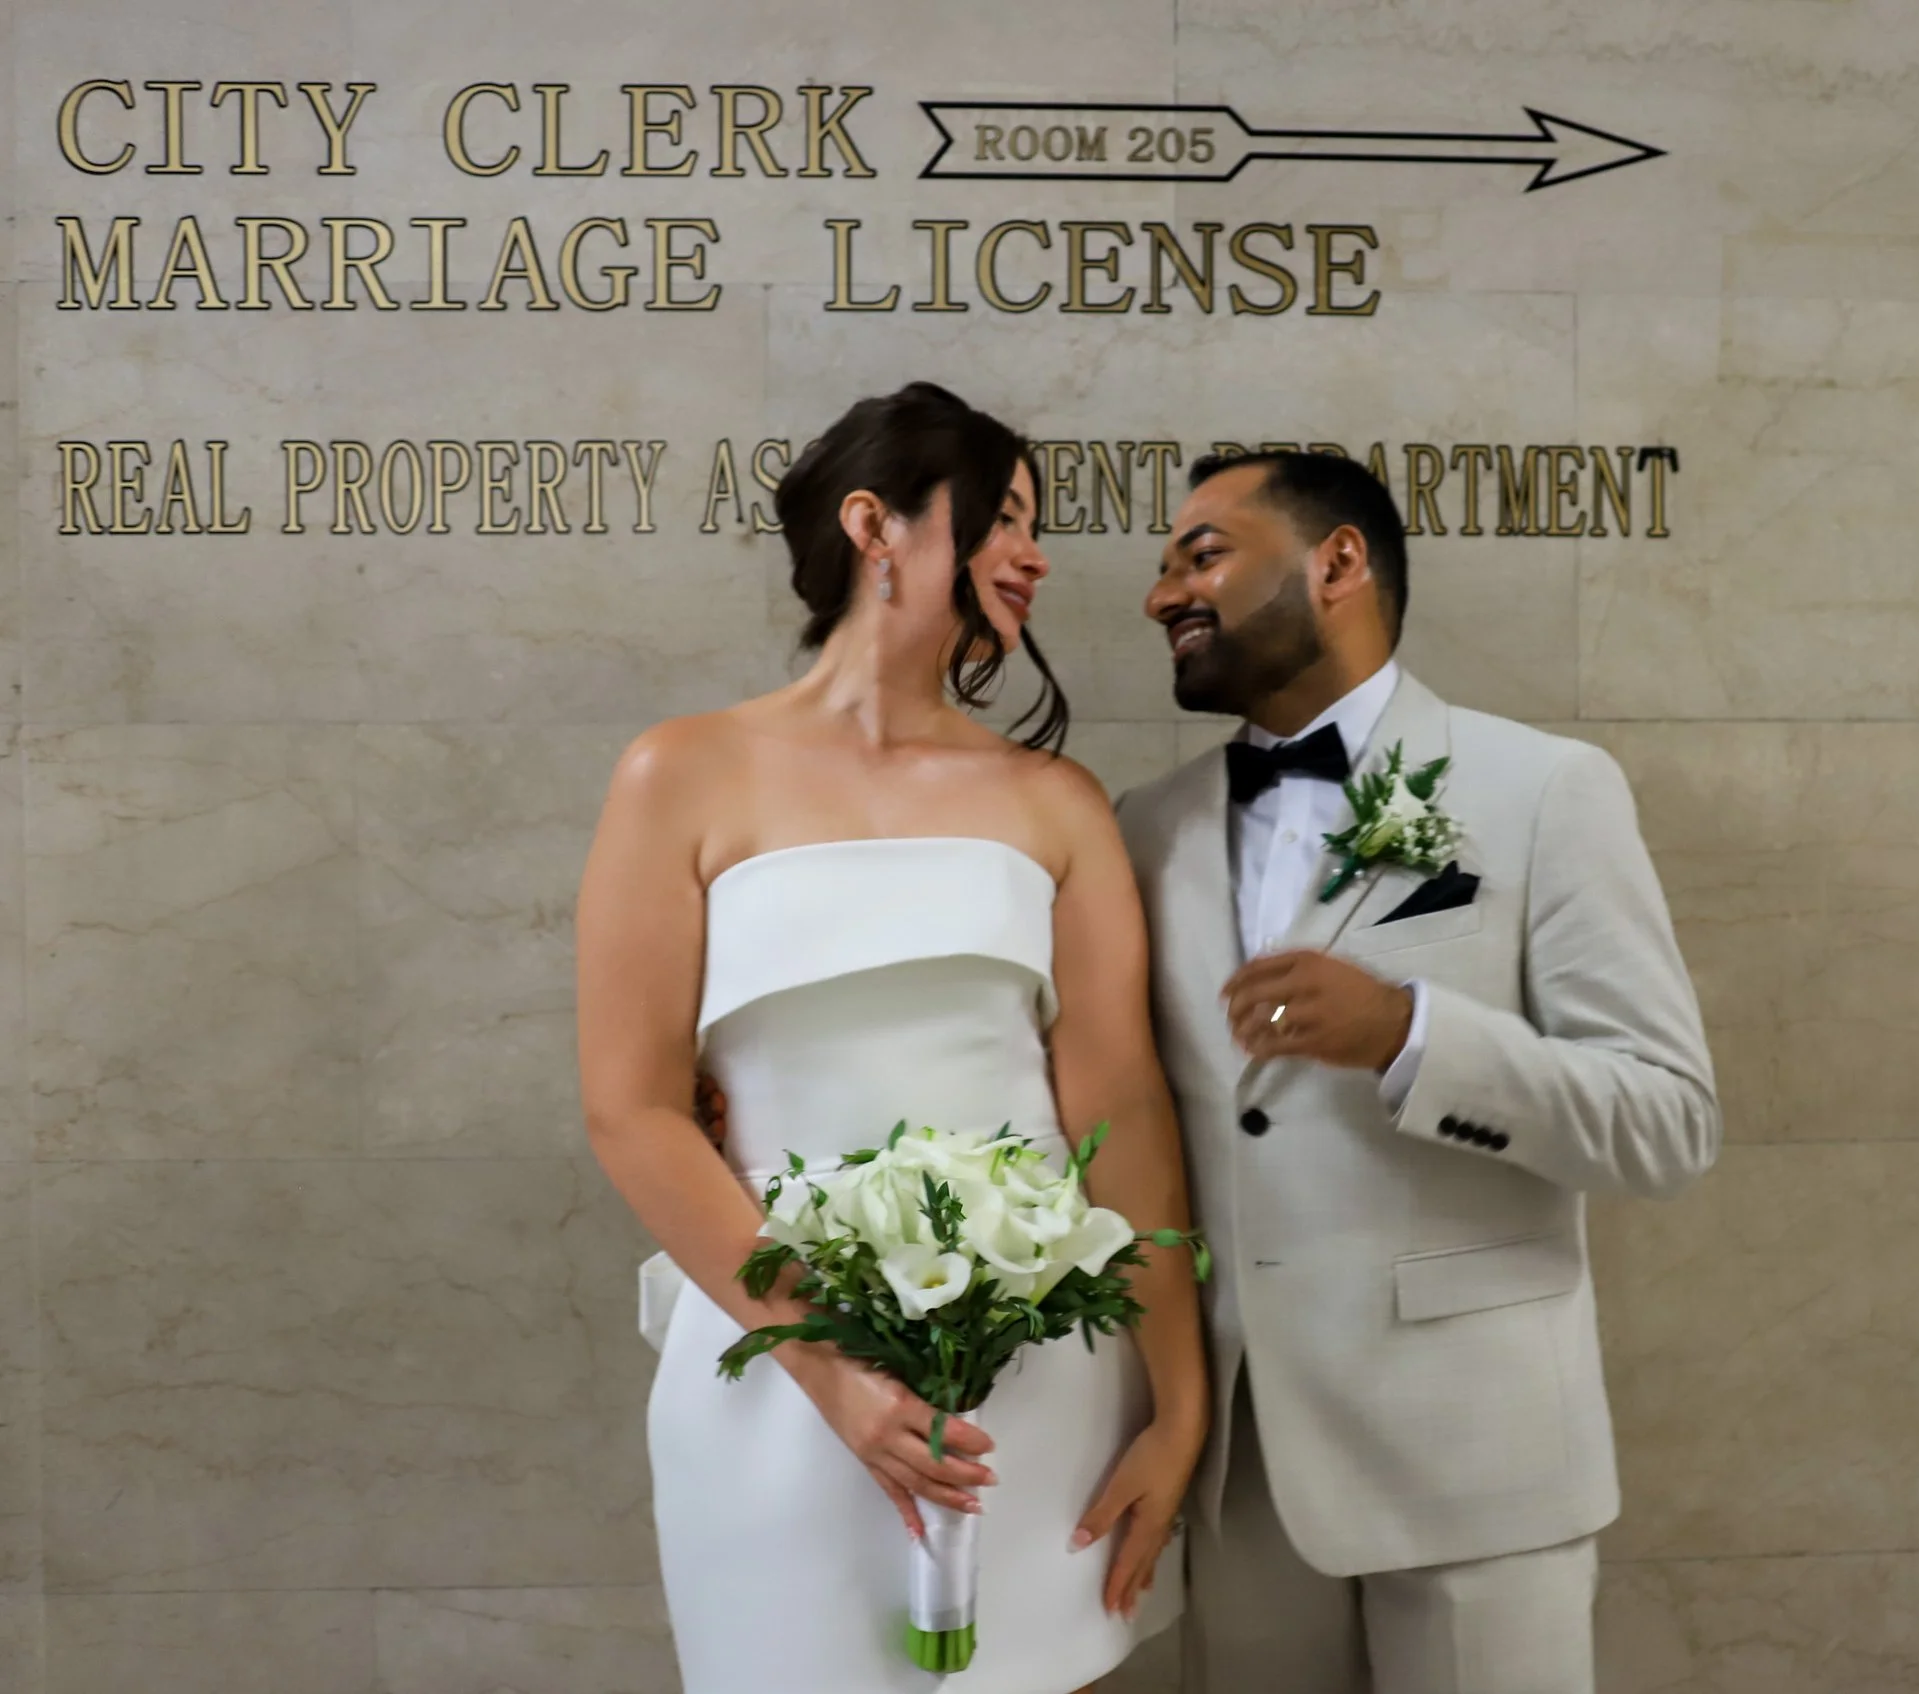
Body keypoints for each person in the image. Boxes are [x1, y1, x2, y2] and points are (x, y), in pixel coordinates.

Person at [573, 382, 1206, 1694]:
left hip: (1038, 1381)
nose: (1035, 553)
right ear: (877, 524)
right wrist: (828, 1368)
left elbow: (1124, 1114)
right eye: (1006, 517)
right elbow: (630, 1108)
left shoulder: (1055, 803)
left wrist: (1181, 1400)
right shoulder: (678, 774)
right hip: (777, 1373)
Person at [1115, 450, 1720, 1694]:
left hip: (1475, 1465)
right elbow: (1103, 1104)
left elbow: (1666, 1119)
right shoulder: (1144, 826)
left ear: (1337, 561)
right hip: (1242, 1479)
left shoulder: (1544, 786)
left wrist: (1409, 1033)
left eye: (1202, 552)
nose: (1162, 591)